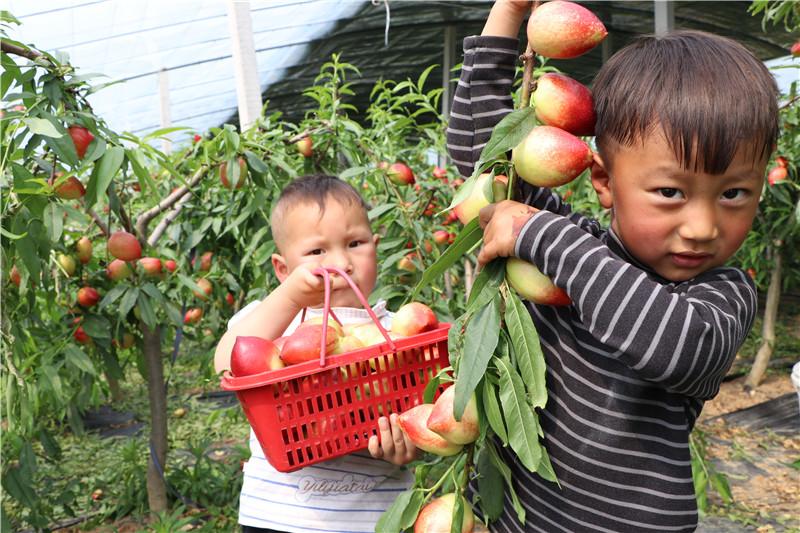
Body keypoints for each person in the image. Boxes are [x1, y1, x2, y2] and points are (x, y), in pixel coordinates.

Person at [447, 1, 778, 532]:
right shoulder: (570, 250)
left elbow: (678, 348)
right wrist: (509, 13)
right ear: (602, 180)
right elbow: (486, 162)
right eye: (670, 191)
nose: (701, 226)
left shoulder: (722, 294)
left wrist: (538, 234)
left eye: (734, 192)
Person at [214, 174, 417, 533]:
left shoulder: (397, 332)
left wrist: (410, 445)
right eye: (317, 251)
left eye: (355, 243)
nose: (341, 262)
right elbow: (225, 362)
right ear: (282, 268)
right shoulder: (279, 323)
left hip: (374, 519)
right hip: (278, 518)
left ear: (376, 247)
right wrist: (290, 298)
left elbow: (423, 411)